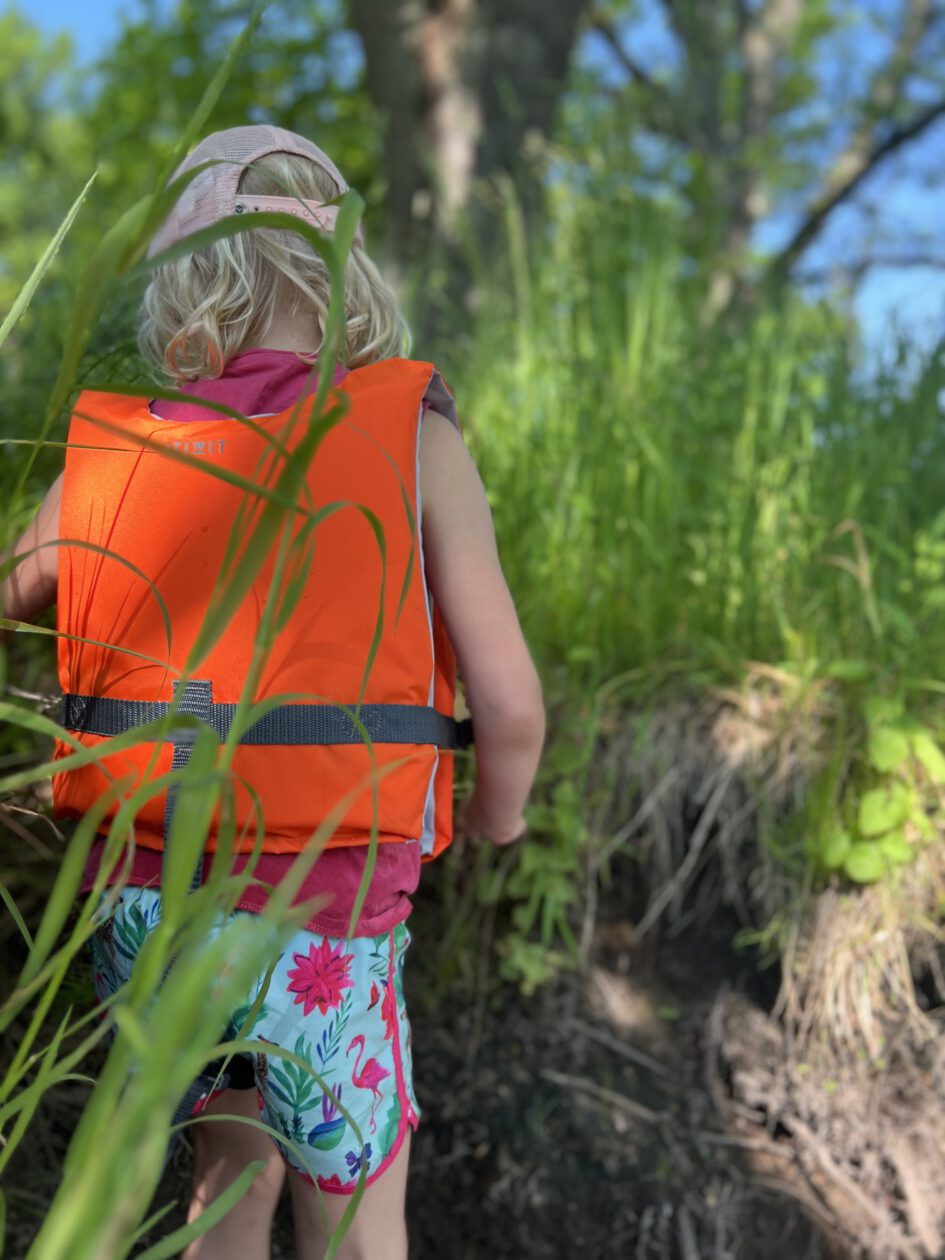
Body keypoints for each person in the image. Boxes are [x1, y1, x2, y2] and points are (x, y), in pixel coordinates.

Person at [0, 126, 545, 1260]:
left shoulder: (112, 457)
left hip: (147, 915)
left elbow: (13, 585)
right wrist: (500, 817)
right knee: (355, 1214)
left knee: (227, 1170)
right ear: (345, 283)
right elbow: (512, 703)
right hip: (326, 920)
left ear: (184, 293)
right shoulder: (410, 439)